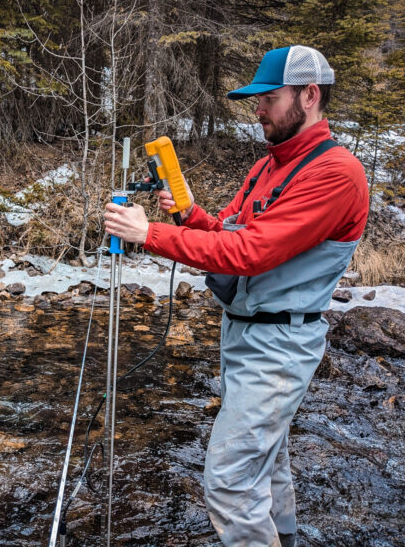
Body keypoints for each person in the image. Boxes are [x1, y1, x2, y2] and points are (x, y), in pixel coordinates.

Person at [104, 46, 369, 547]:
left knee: (228, 484)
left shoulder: (335, 174)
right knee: (267, 467)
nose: (257, 110)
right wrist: (188, 216)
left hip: (279, 348)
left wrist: (151, 235)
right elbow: (231, 231)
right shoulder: (270, 165)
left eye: (268, 98)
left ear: (309, 96)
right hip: (248, 335)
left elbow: (250, 253)